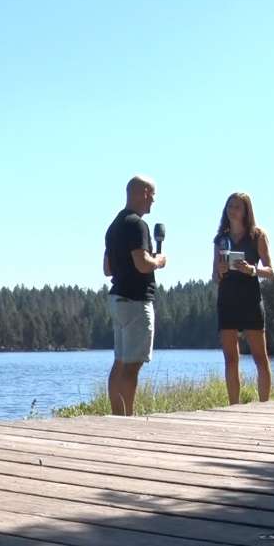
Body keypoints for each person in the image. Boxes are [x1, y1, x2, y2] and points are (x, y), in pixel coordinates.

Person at [103, 175, 167, 415]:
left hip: (118, 299)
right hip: (136, 300)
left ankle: (117, 415)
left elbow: (107, 268)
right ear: (143, 193)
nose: (153, 201)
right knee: (132, 366)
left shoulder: (114, 225)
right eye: (152, 195)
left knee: (120, 362)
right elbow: (142, 263)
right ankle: (127, 418)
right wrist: (159, 261)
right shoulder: (137, 224)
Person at [212, 192, 274, 405]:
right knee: (230, 359)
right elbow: (214, 277)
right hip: (227, 301)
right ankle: (234, 406)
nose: (232, 210)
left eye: (237, 207)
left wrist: (252, 269)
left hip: (250, 301)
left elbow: (270, 271)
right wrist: (220, 271)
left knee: (260, 357)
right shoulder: (221, 239)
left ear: (246, 211)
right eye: (230, 206)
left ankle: (264, 405)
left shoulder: (257, 235)